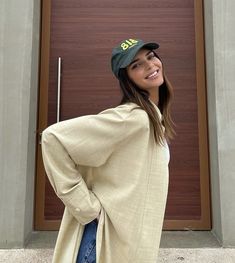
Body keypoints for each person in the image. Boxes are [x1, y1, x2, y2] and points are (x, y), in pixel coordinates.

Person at [41, 38, 175, 263]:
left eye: (150, 57)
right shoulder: (133, 118)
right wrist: (86, 206)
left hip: (123, 241)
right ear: (127, 78)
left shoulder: (152, 119)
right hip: (102, 243)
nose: (150, 65)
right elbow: (52, 138)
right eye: (136, 65)